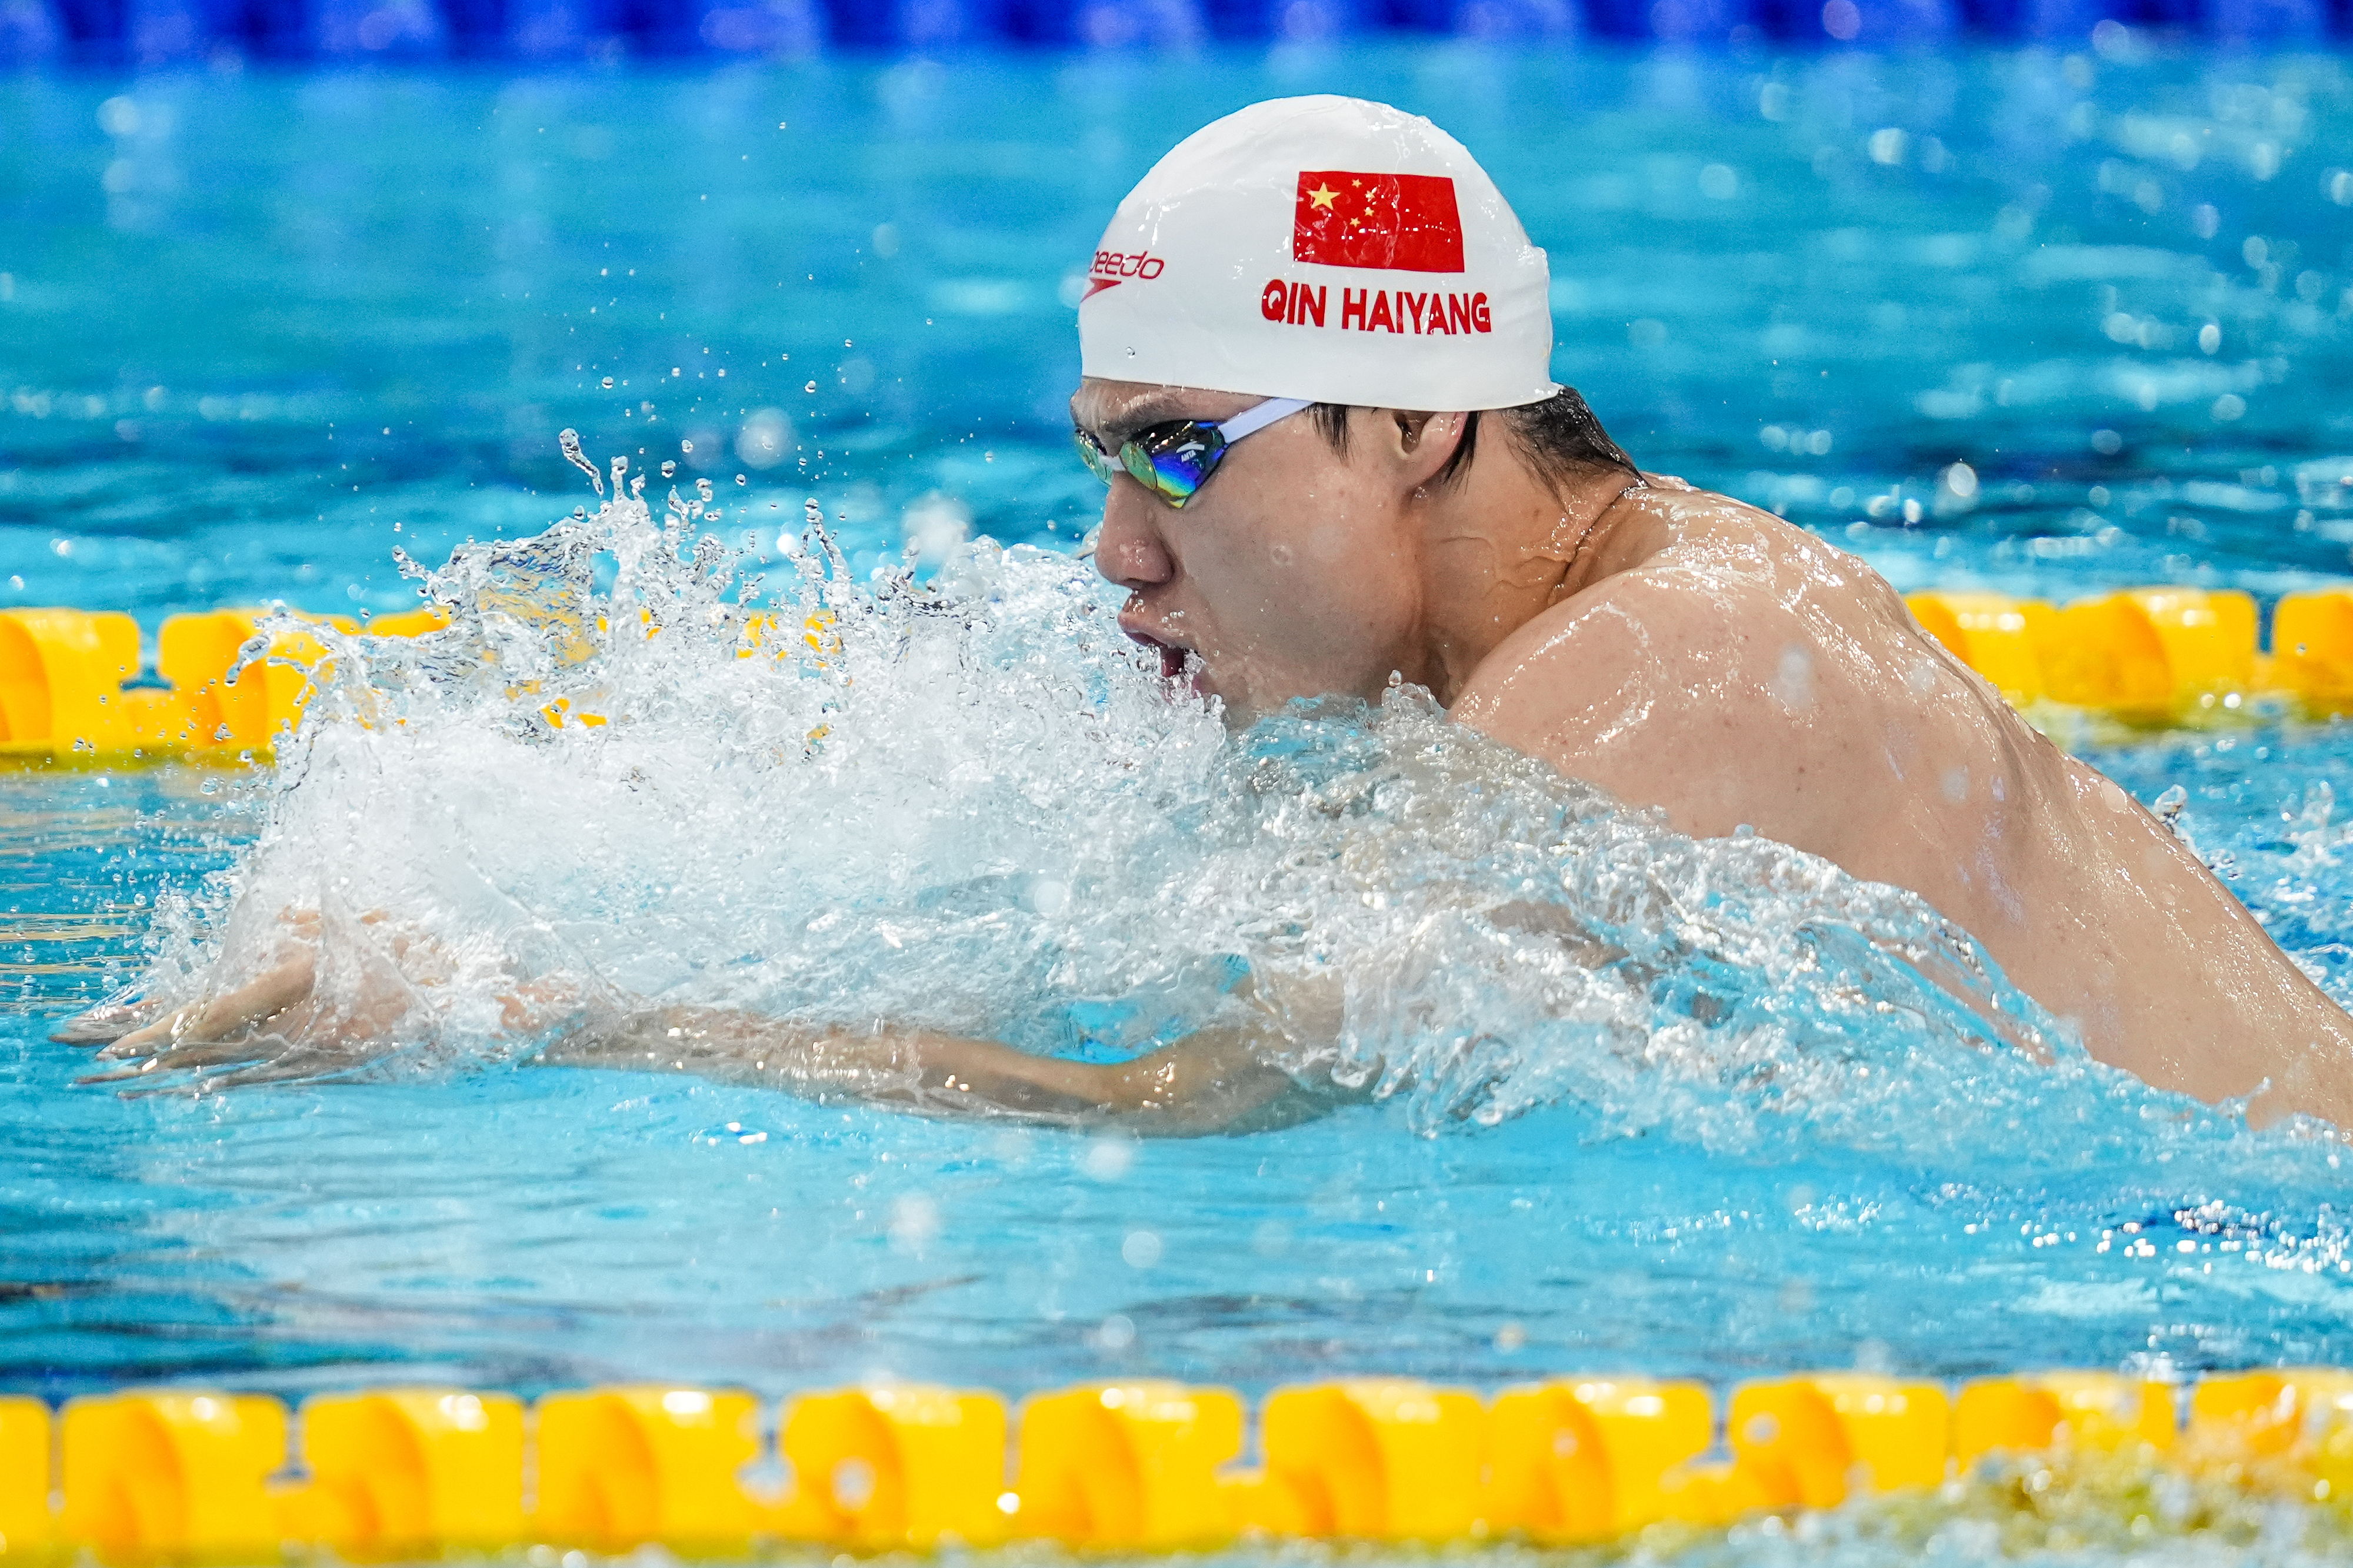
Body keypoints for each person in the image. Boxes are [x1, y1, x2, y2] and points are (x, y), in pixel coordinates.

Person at [66, 96, 2353, 1132]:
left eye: (1180, 451)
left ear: (1423, 424)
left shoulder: (1670, 668)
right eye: (1104, 459)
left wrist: (520, 1002)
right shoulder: (1515, 655)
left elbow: (1179, 1101)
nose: (1115, 549)